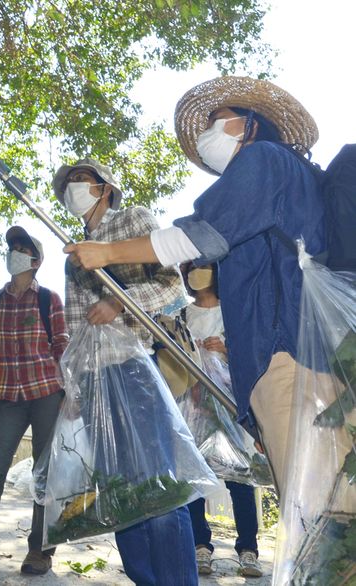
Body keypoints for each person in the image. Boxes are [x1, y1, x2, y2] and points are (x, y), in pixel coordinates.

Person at [63, 76, 325, 504]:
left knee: (313, 506)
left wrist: (108, 253)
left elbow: (199, 237)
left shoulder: (263, 159)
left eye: (217, 121)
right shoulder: (288, 176)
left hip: (287, 351)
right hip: (295, 352)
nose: (207, 133)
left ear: (249, 123)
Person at [53, 158, 196, 585]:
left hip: (135, 370)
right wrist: (73, 387)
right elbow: (74, 327)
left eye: (81, 180)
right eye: (67, 185)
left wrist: (120, 301)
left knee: (158, 484)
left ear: (105, 187)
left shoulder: (133, 220)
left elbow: (173, 287)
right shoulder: (72, 255)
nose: (72, 189)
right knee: (120, 491)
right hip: (95, 381)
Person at [0, 226, 69, 579]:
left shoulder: (49, 299)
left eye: (21, 248)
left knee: (46, 474)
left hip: (47, 392)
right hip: (6, 395)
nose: (13, 253)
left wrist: (72, 397)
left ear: (35, 261)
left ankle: (40, 549)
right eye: (12, 248)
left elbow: (61, 349)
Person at [176, 263, 262, 577]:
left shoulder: (234, 312)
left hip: (231, 405)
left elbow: (253, 354)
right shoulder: (183, 316)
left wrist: (226, 350)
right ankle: (200, 547)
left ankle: (249, 550)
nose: (196, 273)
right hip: (194, 408)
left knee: (240, 477)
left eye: (203, 266)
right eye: (191, 268)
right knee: (194, 478)